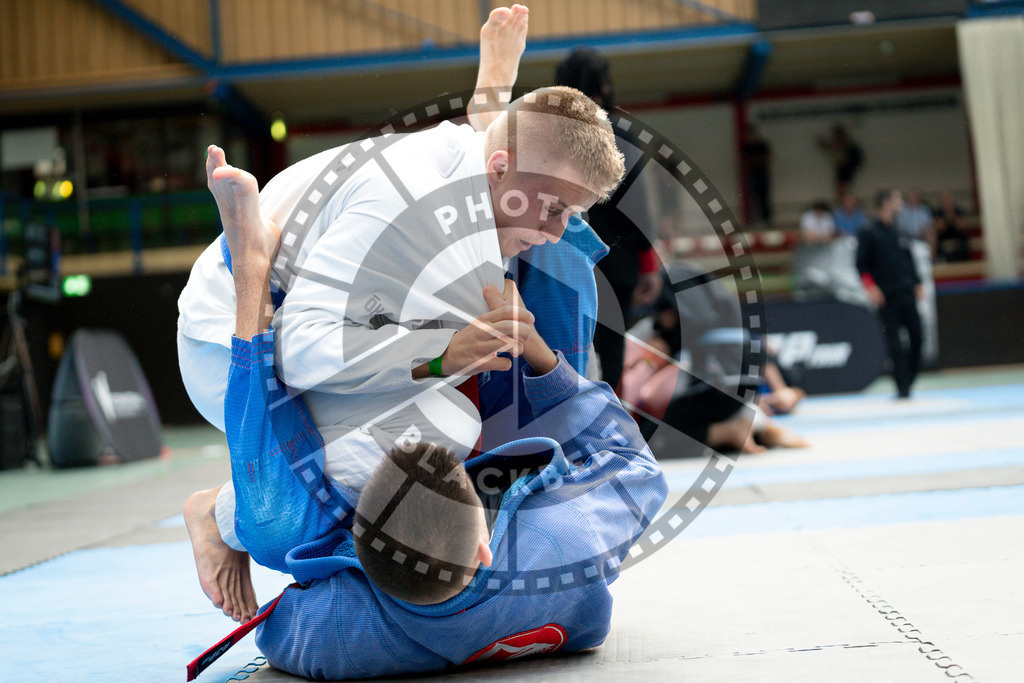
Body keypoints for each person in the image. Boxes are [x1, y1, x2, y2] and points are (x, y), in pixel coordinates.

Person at [181, 6, 626, 623]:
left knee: (559, 271)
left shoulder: (488, 176)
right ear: (500, 170)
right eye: (552, 210)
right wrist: (441, 355)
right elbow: (298, 351)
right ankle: (220, 513)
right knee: (440, 430)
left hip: (357, 306)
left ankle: (487, 107)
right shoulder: (408, 211)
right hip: (233, 335)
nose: (555, 230)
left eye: (567, 213)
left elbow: (509, 169)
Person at [187, 166, 668, 680]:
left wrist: (242, 522)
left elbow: (276, 627)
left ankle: (251, 276)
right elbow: (631, 459)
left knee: (273, 528)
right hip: (491, 382)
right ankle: (514, 194)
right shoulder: (569, 537)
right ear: (482, 547)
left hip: (352, 366)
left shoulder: (347, 634)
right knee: (552, 250)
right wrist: (530, 342)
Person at [554, 46, 662, 392]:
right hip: (615, 263)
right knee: (611, 352)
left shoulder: (548, 132)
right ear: (604, 84)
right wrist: (648, 263)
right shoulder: (616, 132)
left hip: (562, 258)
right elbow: (637, 205)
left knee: (565, 348)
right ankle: (610, 431)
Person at [857, 188, 924, 399]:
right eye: (897, 199)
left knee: (917, 337)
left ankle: (910, 378)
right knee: (895, 342)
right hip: (886, 296)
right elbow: (861, 264)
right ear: (885, 203)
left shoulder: (899, 230)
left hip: (906, 292)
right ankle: (902, 386)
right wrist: (871, 287)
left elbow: (909, 259)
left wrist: (918, 282)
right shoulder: (869, 231)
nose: (900, 203)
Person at [815, 124, 863, 198]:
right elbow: (831, 146)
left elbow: (835, 146)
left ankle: (844, 196)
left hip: (847, 169)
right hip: (843, 170)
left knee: (843, 187)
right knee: (841, 187)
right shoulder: (840, 146)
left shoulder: (849, 147)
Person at [741, 123, 773, 227]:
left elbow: (770, 156)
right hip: (752, 174)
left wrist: (758, 160)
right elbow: (743, 161)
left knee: (764, 196)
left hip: (762, 172)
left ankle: (766, 219)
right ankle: (754, 220)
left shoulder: (761, 144)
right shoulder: (746, 147)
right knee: (753, 197)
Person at [933, 191, 970, 263]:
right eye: (945, 200)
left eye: (949, 200)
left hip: (958, 239)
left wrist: (953, 217)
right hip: (943, 240)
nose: (947, 202)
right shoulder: (938, 212)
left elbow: (963, 227)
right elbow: (939, 228)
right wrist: (946, 218)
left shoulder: (959, 210)